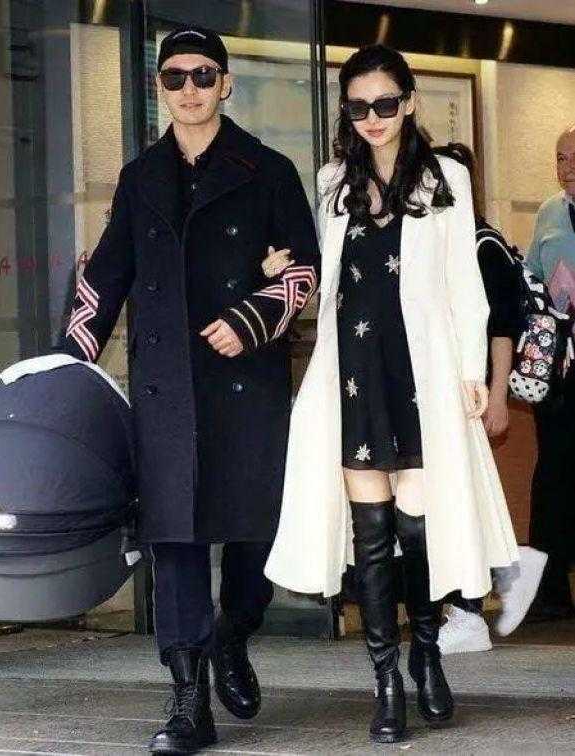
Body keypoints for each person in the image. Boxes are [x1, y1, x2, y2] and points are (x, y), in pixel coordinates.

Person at [61, 26, 319, 755]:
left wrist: (251, 319)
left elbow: (304, 267)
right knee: (174, 538)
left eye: (204, 75)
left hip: (245, 383)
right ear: (159, 89)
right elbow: (104, 278)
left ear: (226, 84)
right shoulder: (140, 177)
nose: (190, 89)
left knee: (252, 531)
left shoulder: (268, 170)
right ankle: (187, 698)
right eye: (174, 77)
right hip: (166, 387)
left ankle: (235, 631)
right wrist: (65, 370)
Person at [264, 44, 518, 744]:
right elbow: (326, 282)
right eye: (358, 107)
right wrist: (285, 271)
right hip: (352, 377)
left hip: (421, 376)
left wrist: (472, 372)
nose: (372, 118)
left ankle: (425, 649)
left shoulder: (445, 178)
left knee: (416, 530)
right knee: (370, 539)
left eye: (384, 103)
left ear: (407, 102)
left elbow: (466, 286)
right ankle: (385, 680)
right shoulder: (332, 182)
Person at [431, 143, 548, 655]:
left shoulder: (482, 245)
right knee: (458, 497)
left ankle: (474, 603)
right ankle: (494, 581)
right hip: (450, 393)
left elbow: (503, 327)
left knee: (465, 497)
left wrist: (497, 397)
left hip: (471, 394)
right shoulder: (447, 240)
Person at [524, 124, 575, 621]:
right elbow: (532, 277)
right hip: (559, 366)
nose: (567, 167)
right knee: (554, 473)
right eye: (561, 158)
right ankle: (550, 590)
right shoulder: (549, 212)